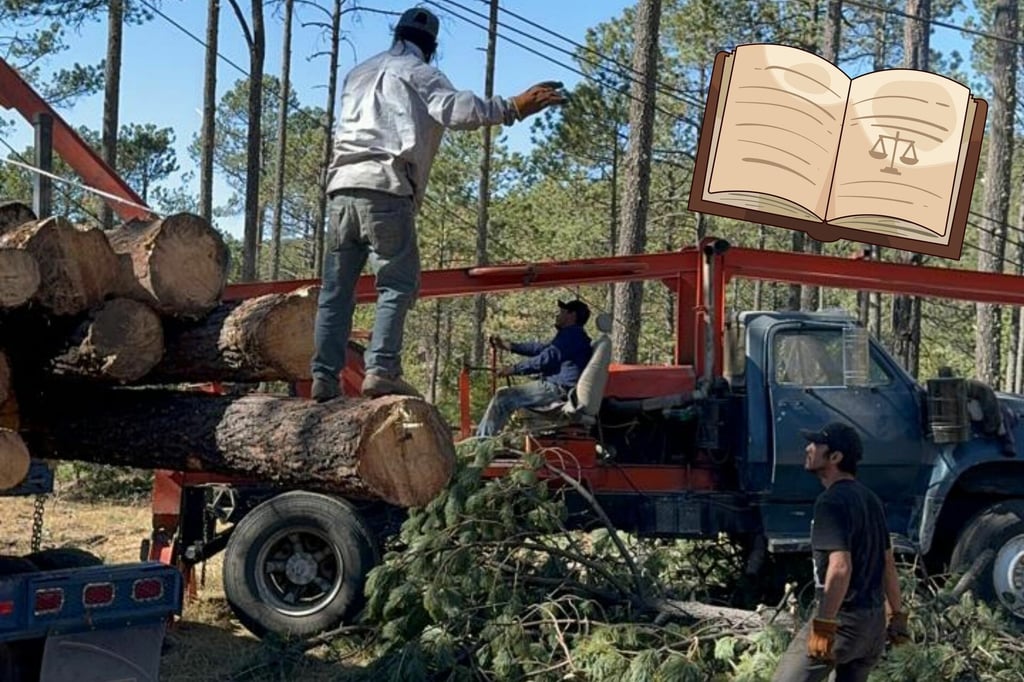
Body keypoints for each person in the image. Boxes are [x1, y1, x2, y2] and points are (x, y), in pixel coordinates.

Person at [310, 6, 566, 401]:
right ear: (430, 46)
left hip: (342, 190)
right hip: (387, 188)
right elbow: (458, 111)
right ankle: (381, 369)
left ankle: (324, 379)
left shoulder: (357, 74)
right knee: (397, 283)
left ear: (397, 33)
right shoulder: (420, 72)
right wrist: (513, 107)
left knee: (335, 292)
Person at [772, 421, 911, 682]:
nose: (808, 448)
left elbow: (840, 567)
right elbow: (887, 563)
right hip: (873, 627)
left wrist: (824, 625)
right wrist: (897, 616)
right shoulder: (871, 500)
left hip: (843, 622)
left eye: (815, 445)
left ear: (835, 457)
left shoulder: (831, 502)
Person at [476, 300, 593, 438]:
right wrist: (510, 346)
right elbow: (541, 349)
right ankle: (485, 442)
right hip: (557, 387)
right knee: (503, 396)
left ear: (572, 315)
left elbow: (545, 359)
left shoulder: (572, 336)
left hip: (556, 389)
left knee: (503, 398)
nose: (558, 315)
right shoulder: (573, 336)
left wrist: (514, 369)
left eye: (562, 312)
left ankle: (481, 445)